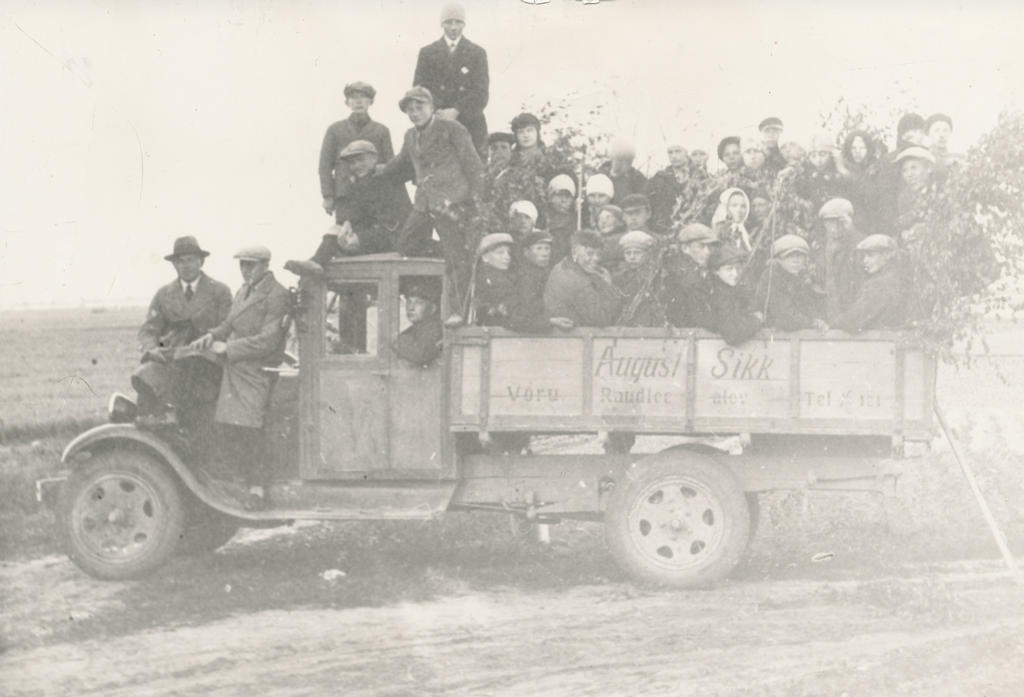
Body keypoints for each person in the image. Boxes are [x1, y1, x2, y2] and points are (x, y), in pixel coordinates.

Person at [190, 245, 291, 510]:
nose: (245, 270)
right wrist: (213, 335)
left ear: (265, 265)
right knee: (232, 427)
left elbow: (269, 341)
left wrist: (229, 348)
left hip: (256, 372)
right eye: (242, 265)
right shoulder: (243, 290)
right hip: (236, 370)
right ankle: (239, 483)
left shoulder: (276, 295)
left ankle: (258, 489)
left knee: (251, 429)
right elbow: (230, 323)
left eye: (250, 265)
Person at [380, 86, 484, 310]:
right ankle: (453, 251)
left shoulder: (452, 128)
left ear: (432, 107)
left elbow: (473, 165)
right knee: (406, 244)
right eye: (410, 109)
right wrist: (377, 170)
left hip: (451, 202)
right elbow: (401, 161)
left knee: (457, 262)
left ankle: (459, 310)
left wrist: (476, 202)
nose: (415, 113)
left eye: (420, 107)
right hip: (424, 201)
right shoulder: (410, 135)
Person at [133, 236, 232, 430]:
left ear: (201, 261)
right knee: (145, 379)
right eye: (180, 261)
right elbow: (149, 329)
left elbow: (228, 326)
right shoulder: (164, 294)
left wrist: (211, 338)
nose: (186, 265)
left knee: (201, 419)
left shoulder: (219, 291)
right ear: (174, 265)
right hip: (173, 362)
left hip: (207, 365)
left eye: (190, 260)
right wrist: (151, 348)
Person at [290, 141, 412, 275]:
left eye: (360, 160)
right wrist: (348, 224)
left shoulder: (388, 177)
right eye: (352, 163)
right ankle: (316, 263)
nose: (356, 166)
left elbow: (410, 169)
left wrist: (386, 168)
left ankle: (317, 261)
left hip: (393, 236)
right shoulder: (358, 184)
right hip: (373, 236)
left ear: (374, 158)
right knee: (338, 231)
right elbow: (356, 214)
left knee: (341, 236)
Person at [413, 3, 489, 151]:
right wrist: (439, 111)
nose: (453, 27)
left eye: (458, 22)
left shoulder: (477, 53)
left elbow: (481, 93)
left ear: (464, 24)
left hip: (470, 124)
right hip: (435, 122)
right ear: (442, 24)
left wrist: (456, 110)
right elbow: (419, 90)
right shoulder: (427, 53)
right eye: (449, 22)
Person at [318, 82, 395, 220]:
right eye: (353, 97)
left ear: (371, 101)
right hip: (345, 195)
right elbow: (325, 166)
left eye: (364, 97)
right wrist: (328, 196)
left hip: (375, 195)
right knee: (345, 236)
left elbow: (391, 165)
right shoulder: (335, 130)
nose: (358, 101)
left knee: (374, 236)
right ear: (347, 102)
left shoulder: (381, 131)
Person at [544, 230, 623, 328]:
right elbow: (602, 320)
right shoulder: (575, 280)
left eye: (598, 254)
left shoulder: (562, 266)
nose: (595, 259)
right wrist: (606, 285)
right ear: (574, 252)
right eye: (589, 253)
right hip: (574, 337)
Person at [831, 234, 905, 333]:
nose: (864, 260)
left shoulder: (880, 285)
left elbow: (852, 321)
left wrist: (831, 325)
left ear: (887, 255)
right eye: (864, 256)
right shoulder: (897, 279)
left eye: (870, 255)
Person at [754, 234, 827, 331]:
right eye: (789, 256)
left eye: (800, 256)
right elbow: (785, 314)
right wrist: (813, 323)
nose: (795, 260)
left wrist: (819, 320)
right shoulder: (772, 277)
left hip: (798, 334)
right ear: (779, 259)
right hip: (774, 337)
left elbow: (813, 306)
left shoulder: (801, 277)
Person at [508, 229, 575, 333]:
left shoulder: (549, 272)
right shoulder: (525, 277)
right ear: (526, 252)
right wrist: (550, 321)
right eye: (539, 248)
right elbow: (526, 313)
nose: (544, 253)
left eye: (547, 248)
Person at [812, 198, 864, 318]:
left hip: (848, 306)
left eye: (840, 222)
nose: (835, 227)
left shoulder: (856, 243)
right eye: (830, 222)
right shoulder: (818, 246)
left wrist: (852, 232)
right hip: (824, 307)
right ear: (824, 223)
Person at [662, 223, 717, 329]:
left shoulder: (710, 272)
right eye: (701, 246)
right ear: (685, 248)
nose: (707, 252)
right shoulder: (677, 277)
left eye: (710, 246)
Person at [708, 245, 762, 346]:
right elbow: (732, 335)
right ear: (716, 272)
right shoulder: (720, 296)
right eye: (729, 269)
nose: (736, 273)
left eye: (738, 268)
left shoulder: (732, 290)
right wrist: (757, 320)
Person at [612, 230, 663, 327]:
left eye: (637, 253)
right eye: (628, 253)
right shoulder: (618, 278)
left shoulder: (656, 276)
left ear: (647, 254)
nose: (632, 257)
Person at [838, 130, 883, 236]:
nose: (858, 152)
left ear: (868, 149)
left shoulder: (876, 169)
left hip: (871, 223)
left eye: (862, 148)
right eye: (853, 148)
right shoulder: (843, 170)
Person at [646, 145, 697, 233]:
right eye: (670, 152)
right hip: (666, 227)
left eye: (678, 151)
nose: (673, 156)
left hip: (692, 226)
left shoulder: (698, 175)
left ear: (686, 153)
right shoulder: (660, 178)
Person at [392, 279, 444, 366]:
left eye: (419, 302)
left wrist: (396, 341)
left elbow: (421, 354)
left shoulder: (434, 328)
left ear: (432, 309)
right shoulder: (416, 328)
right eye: (409, 302)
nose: (411, 308)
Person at [473, 232, 517, 327]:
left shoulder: (509, 276)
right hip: (494, 328)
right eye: (500, 252)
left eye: (508, 253)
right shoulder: (485, 278)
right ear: (485, 257)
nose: (507, 257)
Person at [599, 137, 648, 204]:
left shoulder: (637, 179)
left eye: (628, 161)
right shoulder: (601, 177)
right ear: (612, 157)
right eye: (619, 160)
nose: (623, 165)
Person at [545, 174, 578, 263]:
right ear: (550, 198)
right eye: (559, 196)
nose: (563, 200)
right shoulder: (543, 219)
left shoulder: (577, 221)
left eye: (567, 197)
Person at [711, 187, 752, 251]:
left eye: (743, 206)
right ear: (726, 208)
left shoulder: (743, 231)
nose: (739, 210)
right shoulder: (722, 230)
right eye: (734, 205)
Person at [596, 203, 627, 272]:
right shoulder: (595, 239)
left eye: (608, 217)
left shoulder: (625, 238)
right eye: (600, 218)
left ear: (619, 222)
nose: (603, 222)